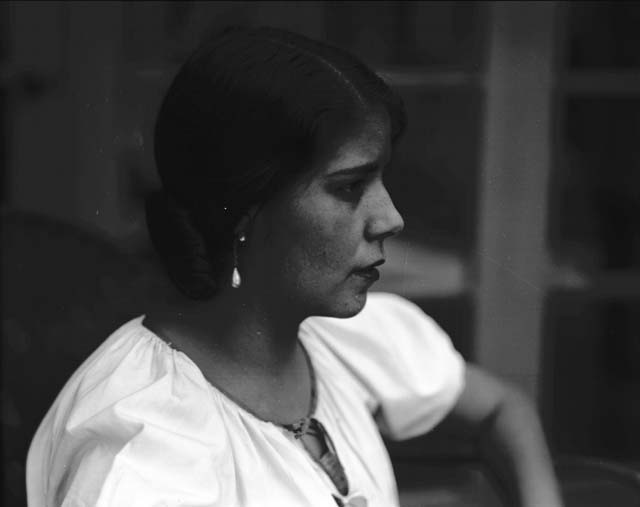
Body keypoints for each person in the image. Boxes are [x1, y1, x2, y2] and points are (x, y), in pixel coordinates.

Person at [26, 26, 563, 507]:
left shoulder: (333, 341)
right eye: (349, 187)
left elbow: (504, 409)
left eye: (380, 179)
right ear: (244, 209)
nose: (390, 218)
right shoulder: (145, 453)